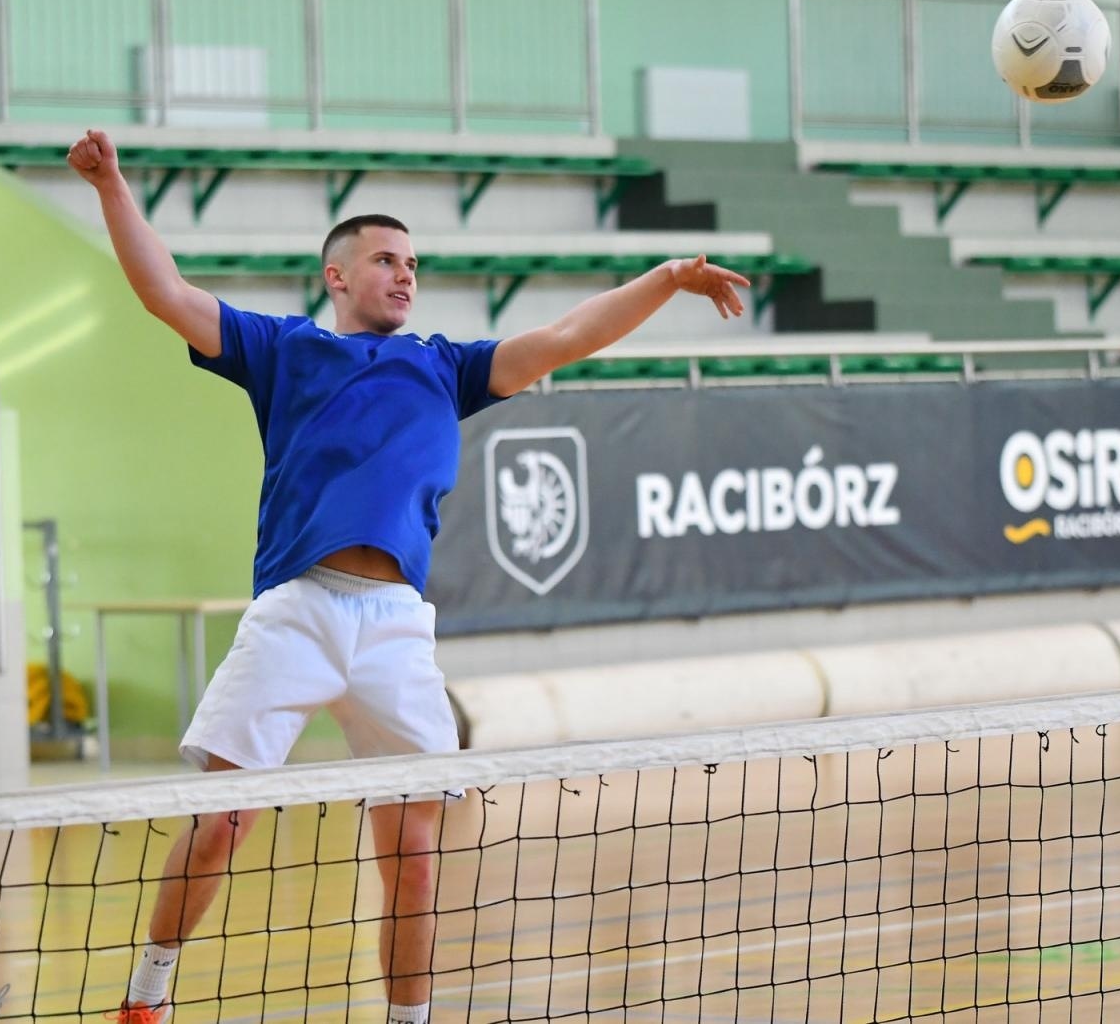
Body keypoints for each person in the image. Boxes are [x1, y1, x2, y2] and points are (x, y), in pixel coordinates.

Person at [65, 128, 749, 1023]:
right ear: (337, 277)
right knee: (224, 818)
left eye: (414, 263)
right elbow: (164, 290)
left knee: (415, 853)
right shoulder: (282, 352)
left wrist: (665, 279)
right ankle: (146, 995)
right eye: (386, 259)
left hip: (395, 626)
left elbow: (571, 334)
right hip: (299, 611)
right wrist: (112, 183)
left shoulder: (447, 367)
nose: (405, 274)